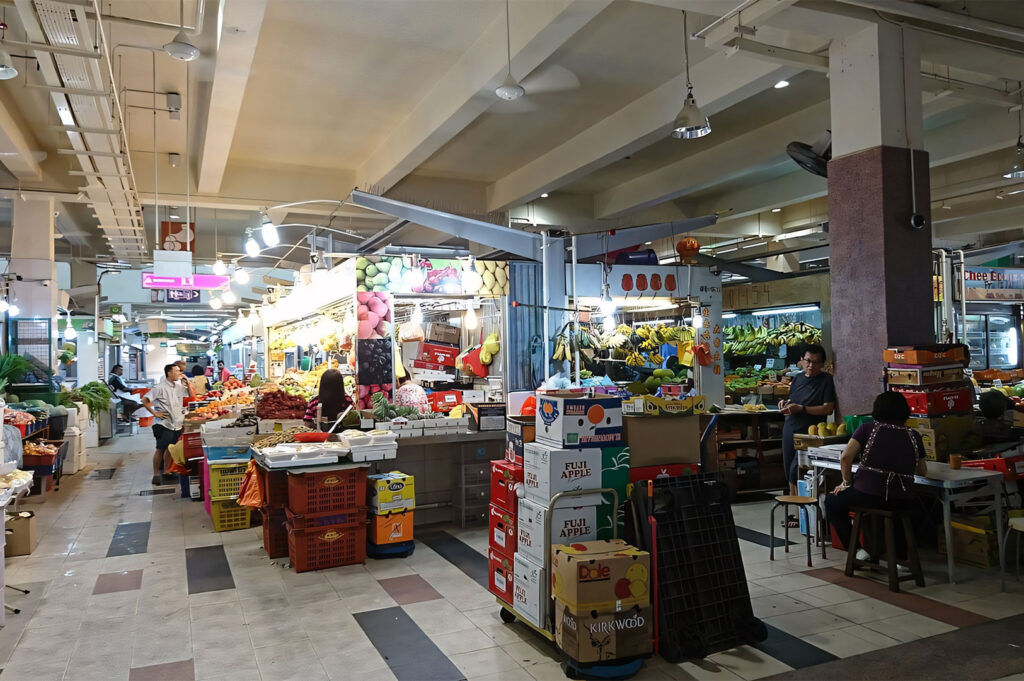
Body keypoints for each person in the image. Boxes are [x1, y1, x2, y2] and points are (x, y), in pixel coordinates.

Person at [825, 391, 928, 560]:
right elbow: (922, 471)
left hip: (867, 494)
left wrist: (846, 482)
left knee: (832, 501)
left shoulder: (867, 428)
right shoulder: (914, 435)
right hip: (902, 497)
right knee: (897, 512)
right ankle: (900, 560)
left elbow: (845, 457)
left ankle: (857, 550)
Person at [778, 344, 836, 526]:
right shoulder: (797, 379)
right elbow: (793, 401)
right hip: (790, 429)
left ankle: (801, 515)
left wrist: (802, 409)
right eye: (808, 361)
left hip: (809, 433)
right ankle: (795, 513)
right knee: (789, 472)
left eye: (816, 362)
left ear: (823, 364)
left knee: (798, 471)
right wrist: (785, 404)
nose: (811, 366)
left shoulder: (826, 380)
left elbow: (828, 408)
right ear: (802, 360)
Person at [142, 363, 189, 486]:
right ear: (169, 372)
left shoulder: (178, 386)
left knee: (170, 448)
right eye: (177, 371)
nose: (180, 373)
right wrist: (154, 413)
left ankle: (167, 472)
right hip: (163, 424)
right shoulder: (159, 387)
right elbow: (145, 400)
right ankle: (156, 474)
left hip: (176, 423)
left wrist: (187, 382)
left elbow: (190, 394)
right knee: (160, 449)